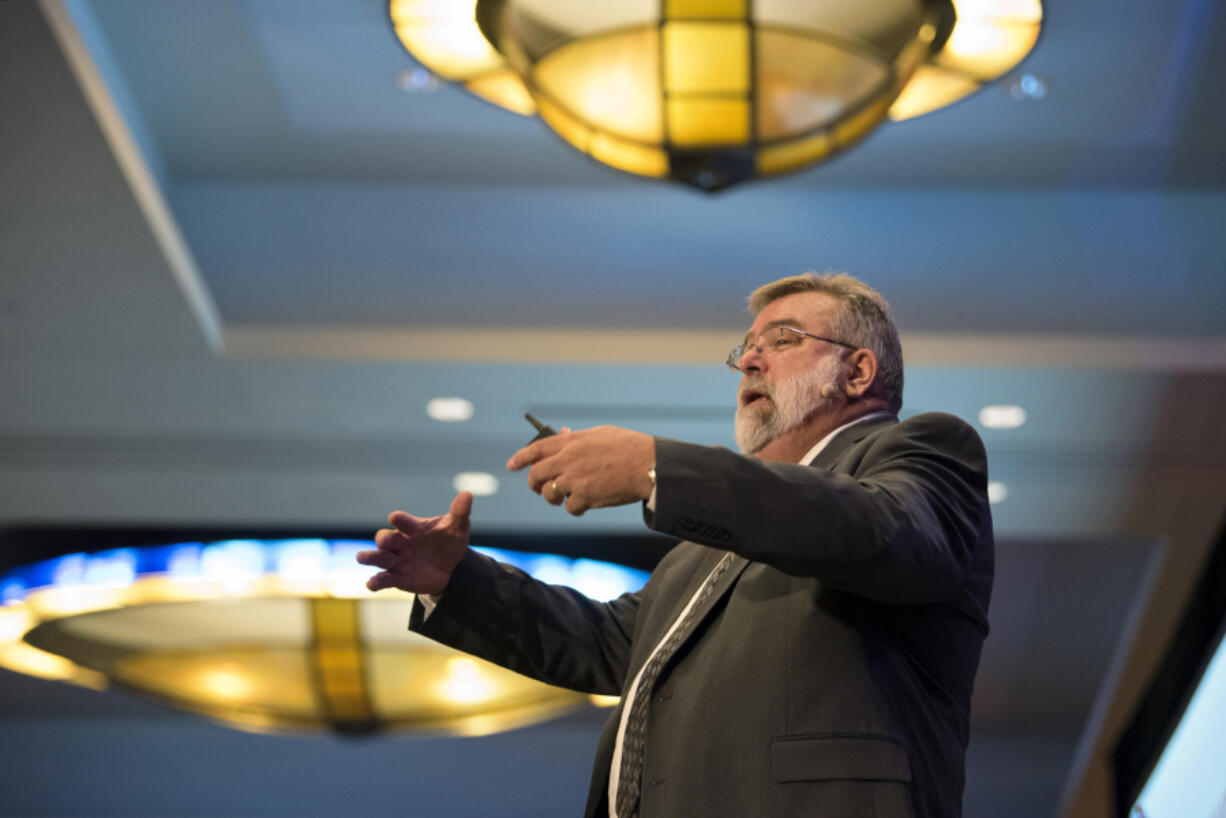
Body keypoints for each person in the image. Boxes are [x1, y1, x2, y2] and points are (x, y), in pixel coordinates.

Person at [357, 273, 994, 818]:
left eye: (784, 340)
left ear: (858, 371)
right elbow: (609, 647)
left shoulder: (924, 449)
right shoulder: (703, 553)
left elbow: (885, 534)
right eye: (746, 348)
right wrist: (455, 580)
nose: (750, 360)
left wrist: (655, 468)